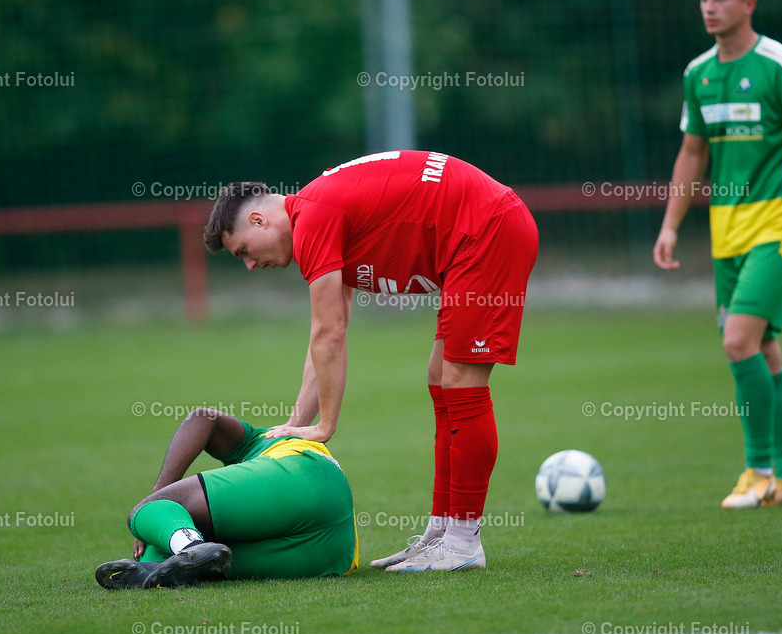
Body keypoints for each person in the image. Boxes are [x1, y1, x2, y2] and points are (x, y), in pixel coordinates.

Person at [204, 151, 538, 571]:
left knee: (461, 382)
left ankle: (462, 541)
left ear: (258, 221)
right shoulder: (315, 212)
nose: (251, 265)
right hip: (475, 233)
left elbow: (330, 334)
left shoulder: (314, 216)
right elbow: (327, 334)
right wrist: (296, 421)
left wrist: (326, 425)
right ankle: (441, 533)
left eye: (243, 253)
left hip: (487, 229)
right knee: (440, 378)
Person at [653, 0, 782, 508]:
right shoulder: (698, 74)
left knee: (738, 342)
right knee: (766, 352)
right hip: (724, 234)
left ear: (749, 3)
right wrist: (670, 225)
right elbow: (691, 152)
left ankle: (757, 473)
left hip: (776, 228)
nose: (710, 7)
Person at [95, 408, 358, 589]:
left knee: (150, 512)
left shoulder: (265, 438)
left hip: (304, 472)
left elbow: (203, 418)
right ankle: (184, 551)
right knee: (179, 560)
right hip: (335, 553)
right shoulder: (252, 486)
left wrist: (158, 497)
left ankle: (189, 546)